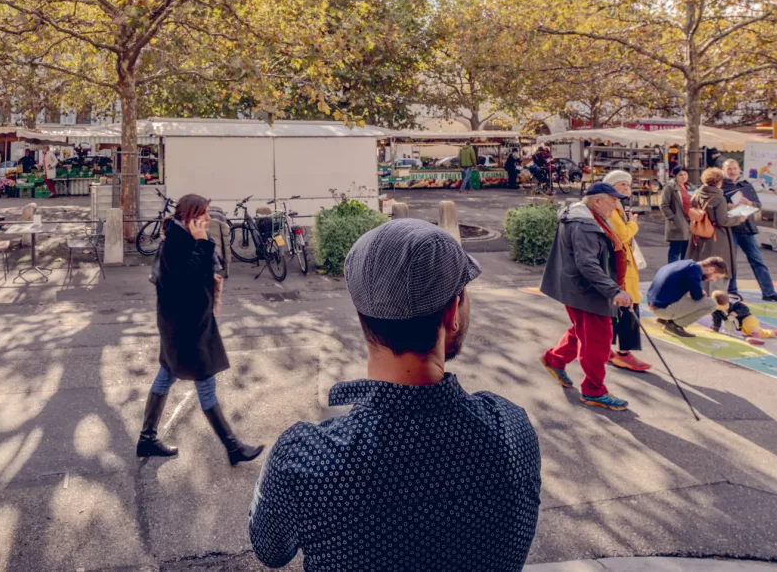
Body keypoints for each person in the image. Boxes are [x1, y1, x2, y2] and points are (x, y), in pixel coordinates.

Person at [249, 219, 541, 571]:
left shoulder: (307, 457)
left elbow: (270, 550)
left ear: (361, 317)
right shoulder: (510, 428)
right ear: (453, 313)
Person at [136, 194, 263, 465]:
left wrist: (203, 242)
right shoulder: (175, 244)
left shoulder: (185, 239)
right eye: (202, 214)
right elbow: (186, 281)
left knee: (166, 374)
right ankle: (233, 447)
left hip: (183, 326)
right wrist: (203, 243)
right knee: (205, 383)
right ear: (188, 217)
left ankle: (147, 439)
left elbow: (205, 268)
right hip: (187, 330)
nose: (207, 219)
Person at [539, 183, 635, 411]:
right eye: (612, 200)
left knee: (583, 330)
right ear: (597, 201)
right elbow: (588, 264)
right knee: (598, 341)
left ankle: (555, 359)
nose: (615, 205)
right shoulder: (585, 224)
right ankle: (594, 390)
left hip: (578, 289)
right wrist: (615, 291)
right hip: (588, 291)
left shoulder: (583, 217)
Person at [721, 159, 777, 304]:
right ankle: (732, 291)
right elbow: (716, 207)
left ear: (739, 170)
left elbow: (758, 204)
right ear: (723, 170)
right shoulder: (720, 186)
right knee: (731, 262)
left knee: (758, 260)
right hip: (730, 228)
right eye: (729, 169)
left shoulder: (746, 185)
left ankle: (769, 292)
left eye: (734, 168)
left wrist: (750, 203)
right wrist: (729, 206)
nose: (732, 171)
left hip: (747, 227)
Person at [601, 170, 651, 374]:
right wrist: (634, 224)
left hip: (623, 265)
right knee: (628, 308)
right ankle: (622, 352)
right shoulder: (612, 209)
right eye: (621, 184)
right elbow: (622, 235)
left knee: (621, 308)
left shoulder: (618, 207)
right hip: (621, 266)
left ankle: (612, 350)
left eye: (627, 184)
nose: (625, 187)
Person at [688, 167, 747, 301]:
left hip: (700, 236)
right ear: (719, 181)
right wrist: (739, 218)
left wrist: (726, 208)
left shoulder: (697, 194)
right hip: (717, 238)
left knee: (702, 267)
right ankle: (715, 301)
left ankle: (700, 297)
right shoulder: (719, 198)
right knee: (717, 269)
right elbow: (722, 220)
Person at [646, 257, 731, 338]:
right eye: (716, 277)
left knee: (688, 291)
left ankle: (663, 319)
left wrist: (699, 292)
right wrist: (700, 293)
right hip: (662, 309)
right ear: (711, 269)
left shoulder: (686, 264)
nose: (714, 280)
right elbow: (697, 296)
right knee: (712, 304)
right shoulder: (695, 270)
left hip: (653, 304)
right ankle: (674, 325)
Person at [711, 300, 777, 345]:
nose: (726, 308)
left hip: (748, 319)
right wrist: (715, 328)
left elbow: (746, 309)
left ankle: (757, 338)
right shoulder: (716, 311)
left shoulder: (735, 304)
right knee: (762, 333)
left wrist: (737, 312)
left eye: (727, 306)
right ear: (717, 306)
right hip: (741, 326)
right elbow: (716, 320)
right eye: (722, 307)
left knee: (752, 328)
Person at [659, 164, 692, 264]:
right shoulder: (670, 187)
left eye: (685, 174)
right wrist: (672, 218)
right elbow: (664, 204)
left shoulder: (689, 186)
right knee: (675, 250)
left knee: (686, 251)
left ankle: (683, 272)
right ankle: (672, 272)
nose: (683, 177)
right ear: (675, 176)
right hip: (678, 222)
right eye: (680, 175)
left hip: (689, 221)